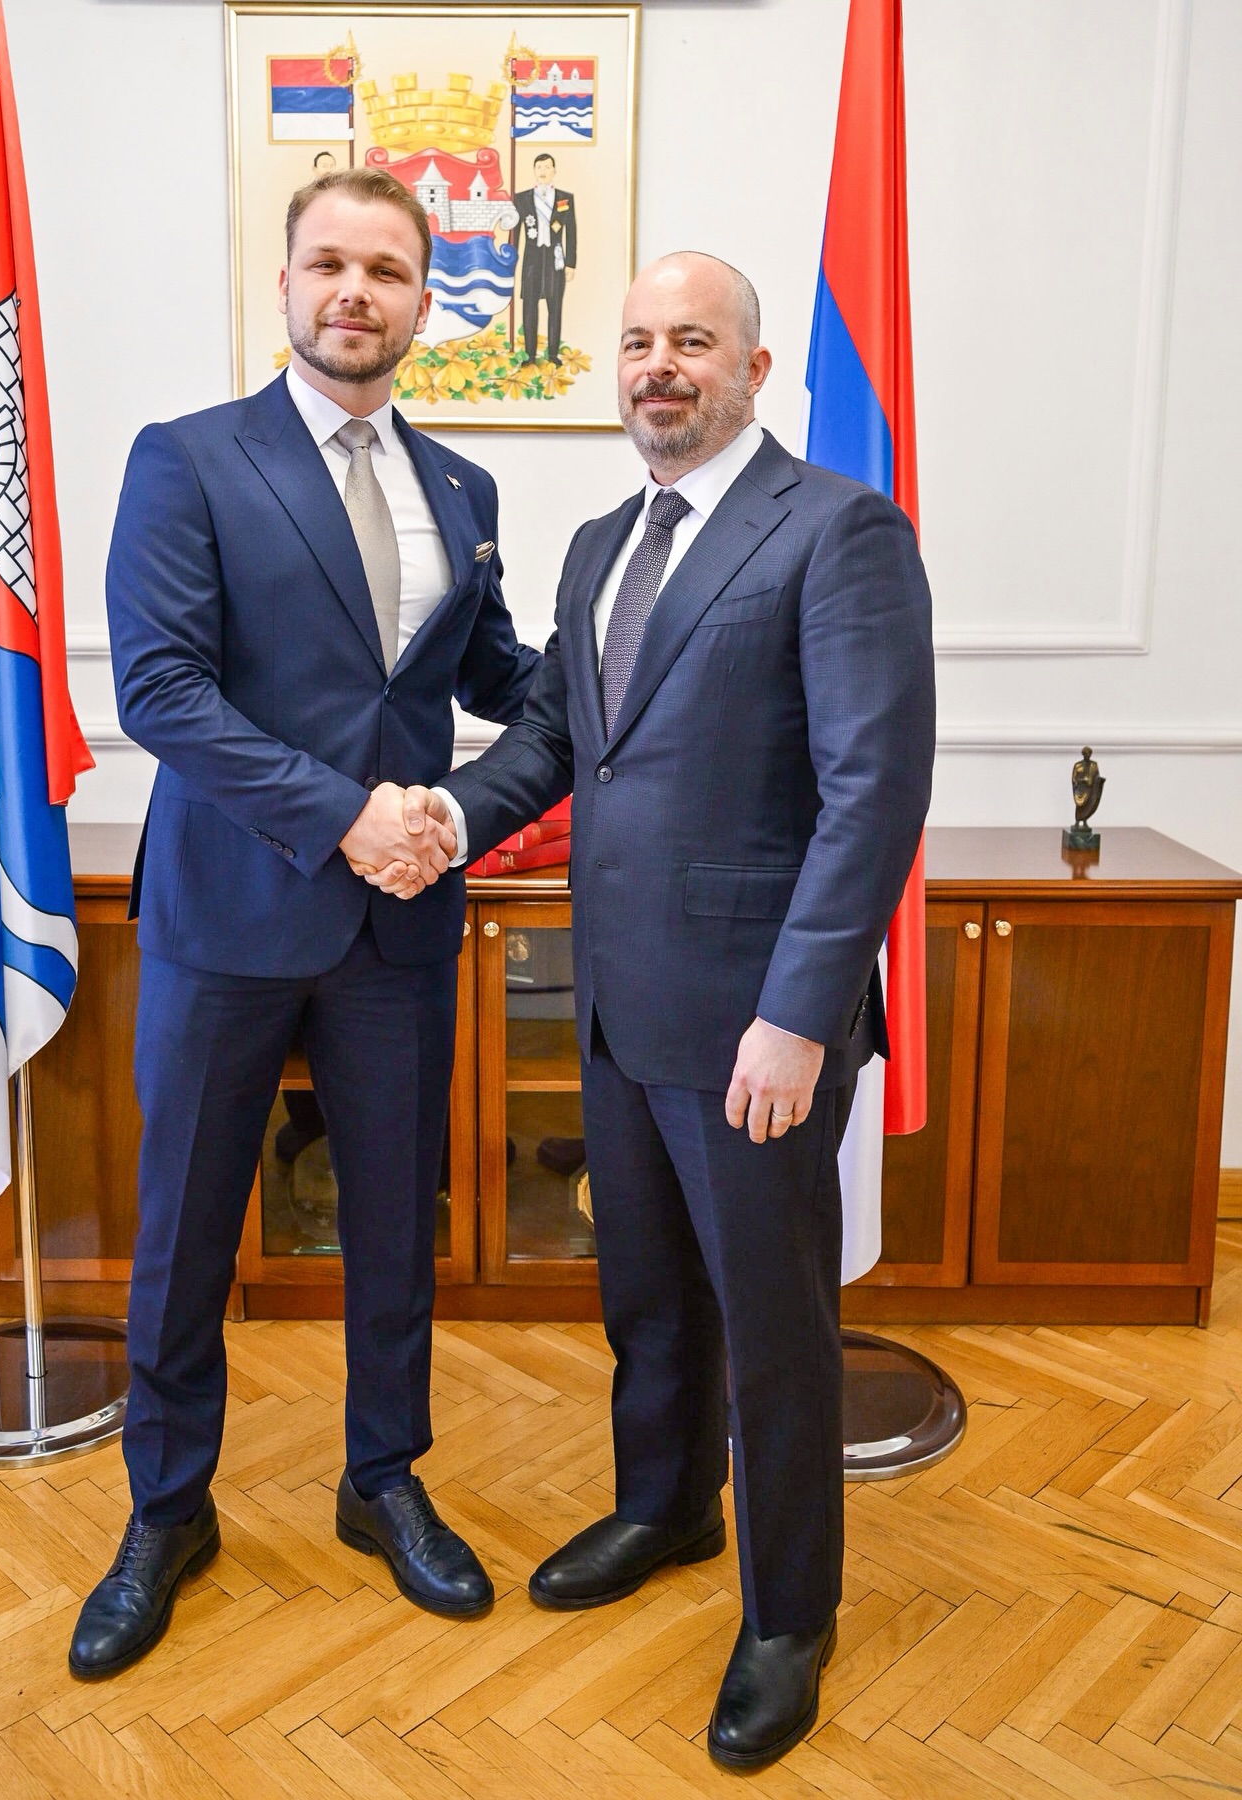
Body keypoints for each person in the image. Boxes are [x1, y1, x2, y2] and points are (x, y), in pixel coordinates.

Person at [368, 252, 934, 1769]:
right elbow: (559, 740)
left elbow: (874, 792)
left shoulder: (837, 530)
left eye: (692, 339)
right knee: (650, 1299)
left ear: (753, 370)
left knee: (774, 1326)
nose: (658, 366)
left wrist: (800, 1014)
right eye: (636, 343)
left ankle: (790, 1616)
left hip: (758, 1026)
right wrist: (446, 819)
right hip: (618, 1006)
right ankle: (668, 1508)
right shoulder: (602, 542)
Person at [72, 167, 539, 1679]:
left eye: (387, 271)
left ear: (423, 304)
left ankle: (381, 1480)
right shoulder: (188, 460)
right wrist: (346, 813)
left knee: (395, 1222)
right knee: (185, 1229)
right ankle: (167, 1510)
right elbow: (162, 691)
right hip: (227, 915)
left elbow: (493, 677)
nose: (355, 290)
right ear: (282, 285)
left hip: (400, 931)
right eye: (329, 263)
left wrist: (644, 680)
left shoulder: (462, 492)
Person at [511, 152, 576, 366]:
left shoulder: (565, 198)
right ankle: (530, 355)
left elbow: (571, 232)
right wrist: (511, 259)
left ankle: (552, 354)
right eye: (539, 167)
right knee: (529, 305)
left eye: (547, 167)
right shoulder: (522, 198)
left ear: (554, 170)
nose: (543, 171)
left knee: (554, 306)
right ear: (534, 171)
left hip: (555, 257)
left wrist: (570, 263)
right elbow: (515, 233)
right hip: (532, 257)